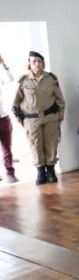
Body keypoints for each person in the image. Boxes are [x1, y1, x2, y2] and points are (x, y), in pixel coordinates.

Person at [12, 51, 65, 184]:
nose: (37, 64)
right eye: (34, 61)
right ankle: (41, 172)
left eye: (39, 61)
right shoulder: (23, 81)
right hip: (31, 120)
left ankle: (51, 170)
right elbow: (15, 103)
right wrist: (22, 121)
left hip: (50, 117)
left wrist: (61, 114)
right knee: (35, 145)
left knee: (51, 144)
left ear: (43, 63)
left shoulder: (51, 78)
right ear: (29, 64)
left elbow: (60, 99)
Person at [0, 54, 17, 183]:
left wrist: (4, 64)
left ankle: (10, 173)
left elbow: (10, 79)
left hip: (4, 117)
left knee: (7, 148)